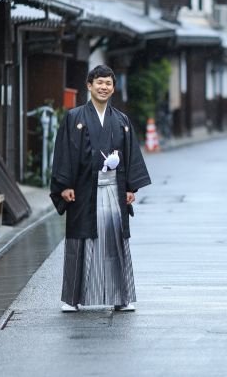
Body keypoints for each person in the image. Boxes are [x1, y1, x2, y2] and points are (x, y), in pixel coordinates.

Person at [50, 65, 151, 313]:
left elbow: (130, 156)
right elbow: (63, 152)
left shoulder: (122, 121)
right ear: (89, 86)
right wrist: (65, 185)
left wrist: (130, 188)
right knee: (80, 241)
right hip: (83, 190)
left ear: (113, 88)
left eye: (108, 83)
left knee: (115, 241)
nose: (103, 87)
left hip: (114, 189)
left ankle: (121, 297)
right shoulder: (74, 118)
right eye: (99, 83)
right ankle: (72, 299)